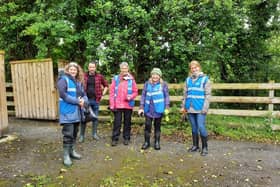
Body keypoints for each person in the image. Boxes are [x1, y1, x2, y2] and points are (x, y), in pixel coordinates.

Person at [57, 62, 87, 166]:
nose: (73, 71)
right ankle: (66, 155)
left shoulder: (78, 82)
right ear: (67, 70)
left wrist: (84, 101)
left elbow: (84, 94)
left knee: (74, 133)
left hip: (77, 113)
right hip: (67, 112)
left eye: (75, 69)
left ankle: (72, 151)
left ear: (77, 71)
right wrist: (77, 101)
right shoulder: (63, 80)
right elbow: (63, 95)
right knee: (68, 134)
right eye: (71, 69)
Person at [181, 60, 211, 156]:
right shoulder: (187, 80)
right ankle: (195, 146)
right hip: (189, 107)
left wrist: (205, 108)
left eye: (196, 67)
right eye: (192, 68)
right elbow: (185, 94)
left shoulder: (205, 79)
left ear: (199, 67)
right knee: (194, 128)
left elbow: (208, 95)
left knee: (201, 127)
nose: (194, 69)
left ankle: (205, 147)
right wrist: (183, 107)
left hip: (200, 108)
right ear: (190, 70)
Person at [138, 68, 170, 150]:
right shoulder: (147, 84)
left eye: (157, 75)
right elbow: (143, 96)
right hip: (148, 109)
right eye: (153, 74)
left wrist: (166, 107)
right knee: (147, 126)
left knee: (157, 126)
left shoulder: (163, 84)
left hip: (158, 109)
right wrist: (141, 107)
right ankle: (146, 142)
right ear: (151, 75)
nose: (155, 76)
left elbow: (166, 96)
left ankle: (157, 142)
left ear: (159, 76)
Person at [109, 62, 138, 146]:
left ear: (128, 69)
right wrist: (112, 104)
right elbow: (111, 92)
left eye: (125, 68)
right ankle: (115, 138)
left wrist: (131, 96)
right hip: (117, 104)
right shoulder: (116, 78)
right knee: (117, 122)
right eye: (122, 68)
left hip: (128, 105)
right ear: (120, 69)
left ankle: (126, 138)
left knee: (127, 122)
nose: (124, 70)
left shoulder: (131, 79)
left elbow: (135, 92)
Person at [79, 61, 108, 142]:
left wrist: (103, 95)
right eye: (90, 67)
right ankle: (81, 136)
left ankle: (94, 134)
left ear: (95, 68)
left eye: (93, 67)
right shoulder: (83, 76)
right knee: (83, 119)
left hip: (95, 100)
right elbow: (78, 85)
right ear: (88, 68)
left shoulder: (99, 76)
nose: (91, 69)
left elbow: (106, 86)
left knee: (95, 118)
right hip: (85, 101)